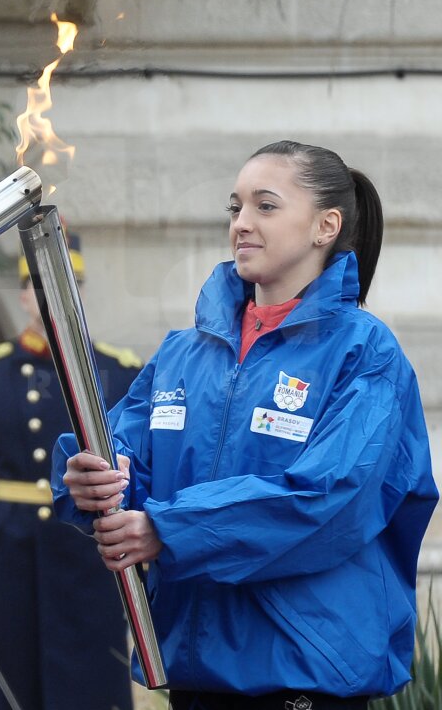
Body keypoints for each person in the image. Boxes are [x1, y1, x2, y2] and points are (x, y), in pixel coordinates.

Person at [55, 141, 438, 710]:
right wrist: (92, 481)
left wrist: (169, 530)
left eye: (265, 206)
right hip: (191, 673)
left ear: (325, 226)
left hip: (298, 677)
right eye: (234, 208)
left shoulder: (365, 352)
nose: (242, 224)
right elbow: (121, 455)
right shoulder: (183, 353)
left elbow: (327, 498)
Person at [0, 242, 138, 710]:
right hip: (10, 554)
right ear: (22, 298)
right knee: (9, 683)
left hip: (87, 557)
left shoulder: (118, 373)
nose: (53, 300)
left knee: (87, 685)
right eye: (40, 290)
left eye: (67, 289)